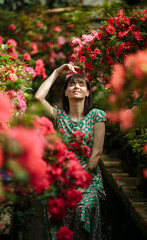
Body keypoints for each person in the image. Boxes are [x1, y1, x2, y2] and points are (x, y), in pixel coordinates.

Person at [34, 63, 106, 240]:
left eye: (81, 84)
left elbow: (96, 154)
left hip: (88, 181)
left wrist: (82, 186)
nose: (76, 87)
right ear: (66, 92)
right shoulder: (59, 116)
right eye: (72, 84)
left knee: (83, 207)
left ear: (88, 92)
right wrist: (57, 72)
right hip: (62, 180)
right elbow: (38, 98)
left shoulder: (97, 115)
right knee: (54, 206)